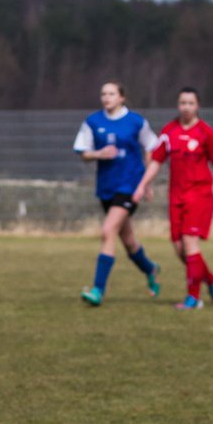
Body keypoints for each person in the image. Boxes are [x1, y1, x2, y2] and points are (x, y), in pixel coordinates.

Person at [133, 87, 213, 310]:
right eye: (183, 103)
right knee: (180, 248)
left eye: (191, 103)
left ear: (197, 106)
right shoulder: (169, 131)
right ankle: (211, 280)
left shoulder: (205, 133)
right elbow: (156, 162)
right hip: (176, 196)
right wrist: (143, 185)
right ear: (178, 105)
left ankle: (193, 298)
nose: (186, 107)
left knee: (190, 242)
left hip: (199, 195)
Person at [72, 81, 160, 307]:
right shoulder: (93, 122)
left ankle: (97, 290)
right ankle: (150, 269)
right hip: (106, 188)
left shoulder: (136, 122)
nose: (106, 97)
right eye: (103, 93)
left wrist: (147, 182)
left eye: (111, 93)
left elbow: (152, 148)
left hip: (130, 186)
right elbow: (83, 153)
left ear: (122, 97)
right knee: (128, 241)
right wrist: (98, 154)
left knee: (108, 230)